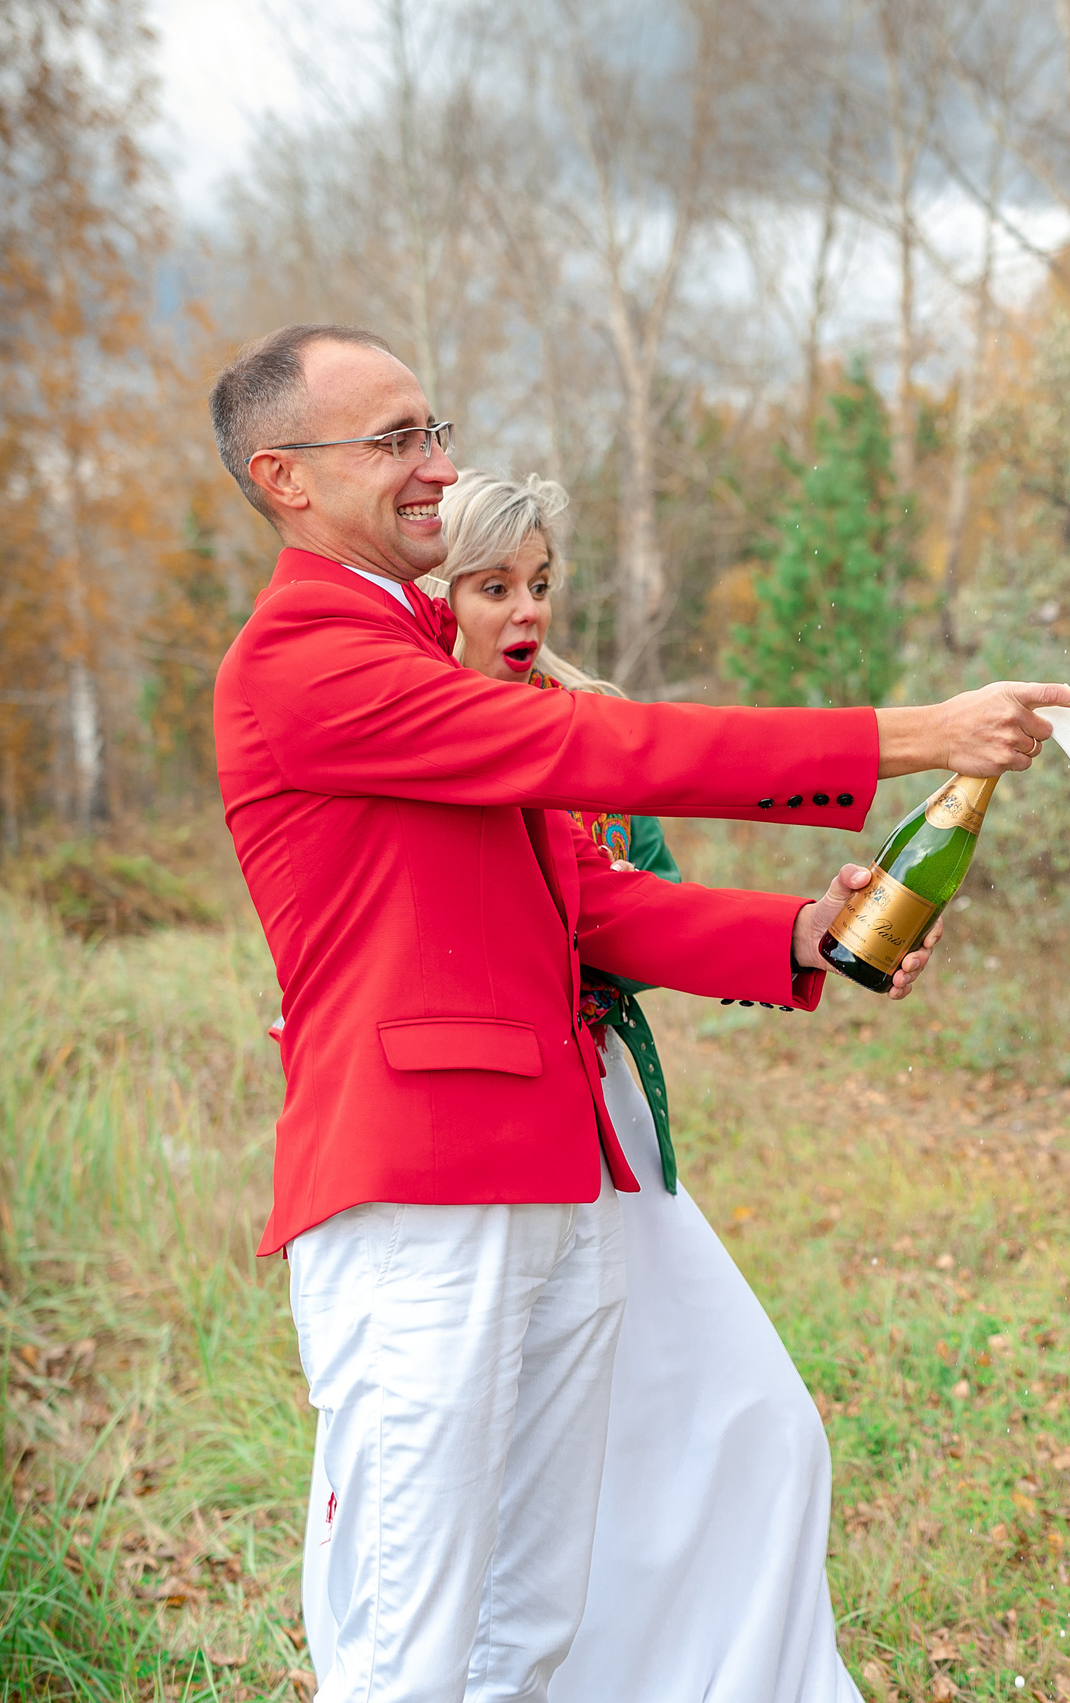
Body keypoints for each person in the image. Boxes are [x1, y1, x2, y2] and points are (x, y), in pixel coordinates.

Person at [207, 322, 1070, 1703]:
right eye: (394, 441)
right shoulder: (307, 660)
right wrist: (907, 733)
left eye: (433, 428)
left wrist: (797, 939)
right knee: (408, 1637)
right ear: (286, 479)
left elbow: (587, 903)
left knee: (527, 1623)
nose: (437, 463)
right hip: (420, 1185)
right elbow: (598, 745)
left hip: (557, 1174)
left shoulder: (432, 656)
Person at [429, 469, 861, 1703]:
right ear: (433, 596)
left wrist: (798, 929)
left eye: (542, 583)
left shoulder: (592, 723)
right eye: (493, 584)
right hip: (476, 1136)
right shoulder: (402, 734)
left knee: (758, 1423)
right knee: (522, 1465)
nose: (527, 610)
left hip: (610, 1117)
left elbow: (641, 907)